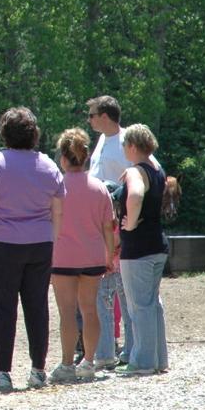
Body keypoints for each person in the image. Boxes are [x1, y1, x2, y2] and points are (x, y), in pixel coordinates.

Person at [0, 106, 64, 393]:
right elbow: (57, 211)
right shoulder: (48, 165)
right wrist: (52, 241)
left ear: (4, 133)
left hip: (4, 244)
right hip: (40, 243)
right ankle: (38, 370)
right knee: (37, 307)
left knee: (4, 307)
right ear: (34, 134)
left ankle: (1, 371)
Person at [48, 128, 116, 383]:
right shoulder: (99, 188)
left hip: (62, 257)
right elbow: (108, 226)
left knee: (66, 312)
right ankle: (88, 362)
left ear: (63, 159)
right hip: (93, 257)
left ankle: (67, 364)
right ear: (86, 157)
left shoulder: (55, 187)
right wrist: (109, 256)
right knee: (90, 310)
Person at [115, 124, 169, 375]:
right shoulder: (157, 169)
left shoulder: (135, 171)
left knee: (139, 306)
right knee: (153, 303)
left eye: (125, 145)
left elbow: (135, 196)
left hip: (138, 248)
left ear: (132, 146)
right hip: (158, 244)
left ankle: (143, 362)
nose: (124, 150)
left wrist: (131, 222)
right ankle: (158, 359)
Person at [85, 94, 133, 367]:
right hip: (98, 219)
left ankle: (129, 346)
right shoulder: (102, 140)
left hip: (117, 220)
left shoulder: (127, 140)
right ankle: (107, 344)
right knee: (103, 283)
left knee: (121, 286)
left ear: (104, 116)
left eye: (92, 115)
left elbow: (143, 172)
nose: (89, 120)